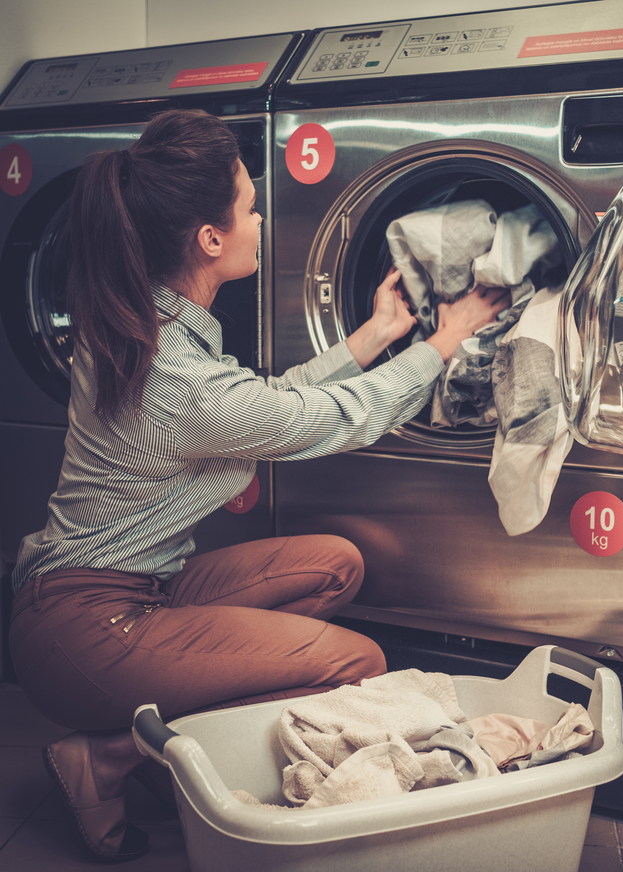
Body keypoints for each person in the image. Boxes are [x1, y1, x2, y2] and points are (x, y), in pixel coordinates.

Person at [7, 108, 509, 863]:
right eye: (248, 205)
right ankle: (111, 756)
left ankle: (170, 733)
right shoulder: (176, 377)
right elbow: (334, 417)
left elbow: (261, 403)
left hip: (127, 592)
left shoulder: (150, 322)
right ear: (210, 240)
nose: (261, 216)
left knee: (336, 562)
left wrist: (373, 335)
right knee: (358, 665)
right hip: (87, 631)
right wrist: (445, 339)